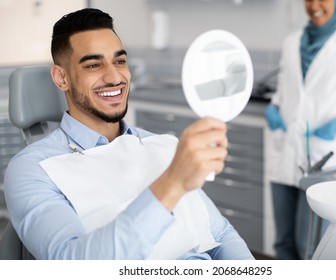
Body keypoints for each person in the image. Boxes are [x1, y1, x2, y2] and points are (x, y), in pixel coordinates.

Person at [4, 8, 254, 260]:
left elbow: (221, 236)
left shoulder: (163, 146)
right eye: (93, 64)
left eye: (120, 61)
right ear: (61, 78)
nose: (114, 77)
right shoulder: (33, 169)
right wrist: (172, 183)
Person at [265, 0, 336, 259]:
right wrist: (274, 108)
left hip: (323, 160)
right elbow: (284, 94)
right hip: (285, 155)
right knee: (283, 244)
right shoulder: (291, 43)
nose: (314, 5)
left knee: (310, 247)